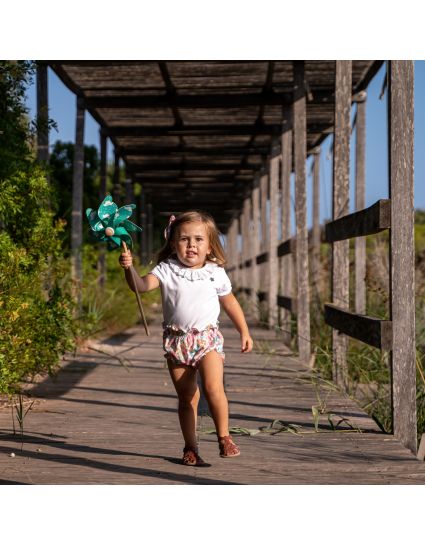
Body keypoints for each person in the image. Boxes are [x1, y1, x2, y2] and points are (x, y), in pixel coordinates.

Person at [119, 210, 253, 466]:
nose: (191, 244)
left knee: (214, 387)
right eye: (184, 239)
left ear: (210, 245)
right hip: (176, 342)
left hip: (206, 339)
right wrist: (129, 269)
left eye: (198, 239)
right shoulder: (166, 270)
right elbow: (140, 286)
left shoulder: (215, 272)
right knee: (186, 397)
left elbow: (230, 303)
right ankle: (190, 448)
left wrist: (244, 330)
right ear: (172, 242)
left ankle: (224, 437)